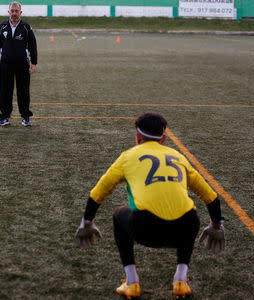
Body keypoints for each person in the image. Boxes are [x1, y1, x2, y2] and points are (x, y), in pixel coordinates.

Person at [75, 112, 226, 299]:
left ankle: (131, 282)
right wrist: (217, 225)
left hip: (146, 229)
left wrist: (87, 221)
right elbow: (211, 197)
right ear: (163, 138)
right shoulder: (178, 156)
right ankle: (181, 280)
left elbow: (98, 193)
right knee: (189, 215)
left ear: (137, 137)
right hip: (183, 230)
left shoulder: (128, 156)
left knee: (118, 214)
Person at [0, 1, 37, 127]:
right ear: (8, 12)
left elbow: (33, 45)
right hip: (6, 64)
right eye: (12, 11)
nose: (14, 13)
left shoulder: (26, 27)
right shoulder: (2, 27)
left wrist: (34, 63)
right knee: (5, 91)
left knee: (23, 91)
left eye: (17, 11)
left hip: (22, 64)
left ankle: (26, 117)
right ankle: (4, 117)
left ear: (20, 12)